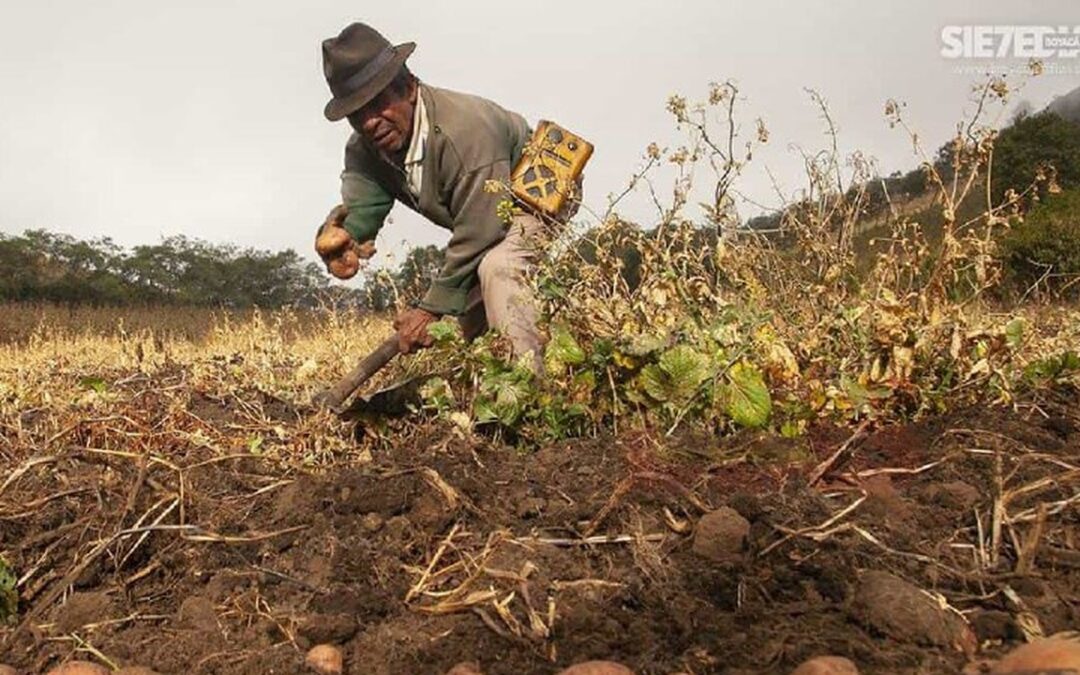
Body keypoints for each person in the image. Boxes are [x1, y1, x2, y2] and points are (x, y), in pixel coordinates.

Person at [316, 22, 565, 366]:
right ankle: (491, 376)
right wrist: (347, 237)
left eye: (377, 103)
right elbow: (363, 203)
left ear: (408, 87)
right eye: (356, 114)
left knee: (498, 268)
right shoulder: (365, 149)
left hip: (535, 187)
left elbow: (481, 231)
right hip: (480, 207)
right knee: (474, 300)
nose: (369, 122)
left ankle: (528, 386)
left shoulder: (466, 130)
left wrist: (429, 310)